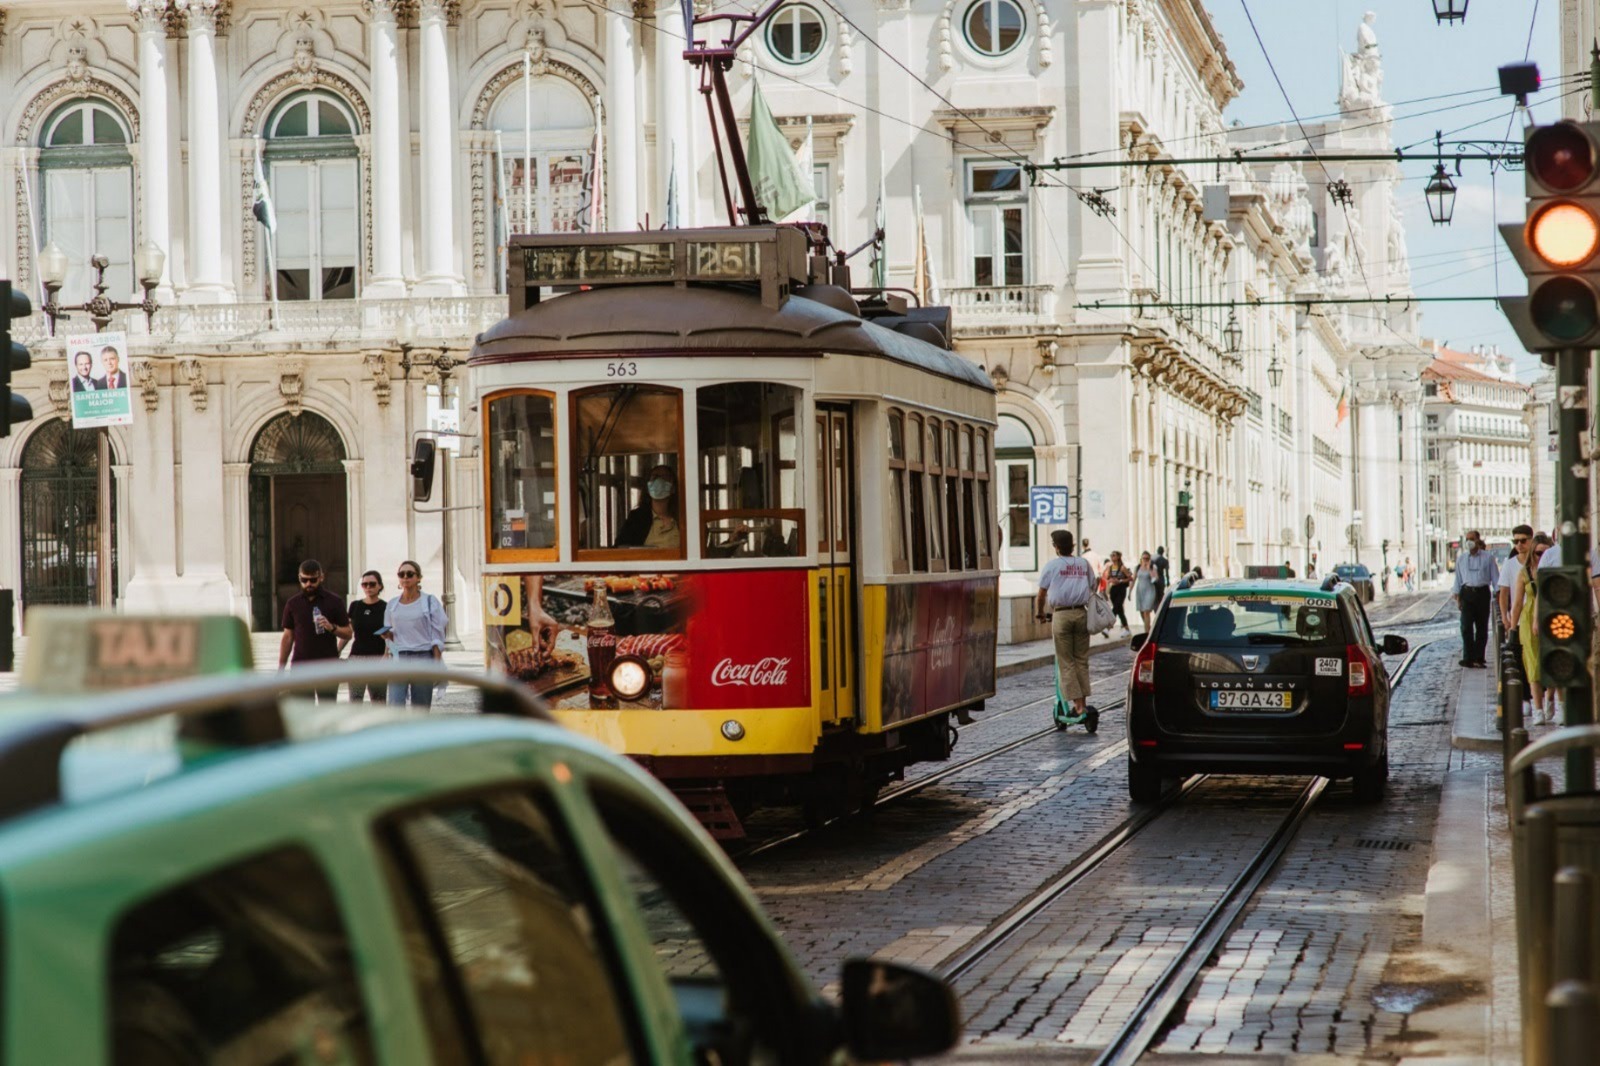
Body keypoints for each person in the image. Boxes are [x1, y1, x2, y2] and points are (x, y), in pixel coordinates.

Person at [1033, 530, 1096, 722]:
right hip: (1081, 613)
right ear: (1073, 546)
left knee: (1066, 662)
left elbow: (1041, 594)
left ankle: (1078, 707)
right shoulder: (1083, 563)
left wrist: (1040, 613)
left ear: (1056, 547)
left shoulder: (1052, 566)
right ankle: (1082, 703)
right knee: (1081, 660)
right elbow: (1093, 586)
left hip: (1062, 614)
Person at [278, 559, 353, 702]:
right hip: (300, 666)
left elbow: (348, 633)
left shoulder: (334, 602)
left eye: (313, 580)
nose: (308, 584)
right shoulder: (293, 603)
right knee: (303, 710)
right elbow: (288, 637)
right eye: (304, 580)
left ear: (321, 577)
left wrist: (332, 627)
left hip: (327, 666)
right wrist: (281, 668)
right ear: (299, 578)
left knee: (327, 710)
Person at [383, 560, 448, 708]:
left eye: (410, 574)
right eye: (401, 574)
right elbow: (390, 637)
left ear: (418, 577)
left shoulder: (429, 601)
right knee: (395, 705)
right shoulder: (392, 604)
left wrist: (437, 663)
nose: (405, 577)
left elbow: (437, 635)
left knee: (421, 707)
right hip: (399, 658)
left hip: (423, 657)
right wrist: (386, 639)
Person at [1511, 538, 1552, 724]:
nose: (1542, 557)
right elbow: (1518, 602)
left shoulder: (1554, 571)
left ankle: (1551, 699)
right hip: (1529, 621)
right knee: (1533, 663)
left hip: (1553, 616)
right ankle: (1538, 709)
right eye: (1538, 553)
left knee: (1553, 660)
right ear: (1532, 554)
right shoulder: (1524, 573)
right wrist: (1512, 628)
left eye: (1546, 553)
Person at [339, 569, 388, 702]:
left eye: (372, 584)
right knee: (355, 699)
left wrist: (386, 655)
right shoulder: (355, 606)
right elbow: (349, 631)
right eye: (364, 584)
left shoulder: (386, 607)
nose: (368, 587)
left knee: (379, 700)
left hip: (377, 658)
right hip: (357, 658)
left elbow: (389, 635)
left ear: (380, 586)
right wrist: (337, 651)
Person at [1451, 529, 1496, 668]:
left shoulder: (1488, 557)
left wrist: (1498, 594)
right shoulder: (1462, 559)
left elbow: (1495, 577)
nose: (1469, 542)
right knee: (1466, 626)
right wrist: (1458, 598)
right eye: (1467, 539)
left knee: (1482, 627)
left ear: (1478, 540)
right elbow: (1458, 580)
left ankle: (1479, 657)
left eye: (1472, 538)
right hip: (1467, 594)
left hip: (1482, 593)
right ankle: (1468, 657)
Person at [615, 464, 681, 549]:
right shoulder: (637, 518)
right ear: (648, 486)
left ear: (673, 488)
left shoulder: (682, 518)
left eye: (664, 477)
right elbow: (620, 547)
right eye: (655, 477)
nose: (659, 481)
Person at [1498, 525, 1534, 636]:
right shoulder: (1509, 564)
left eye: (1523, 541)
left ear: (1531, 540)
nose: (1519, 544)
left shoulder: (1539, 562)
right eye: (1516, 541)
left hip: (1536, 617)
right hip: (1517, 619)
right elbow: (1503, 593)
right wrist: (1504, 617)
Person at [1103, 550, 1133, 636]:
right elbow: (1107, 578)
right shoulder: (1110, 567)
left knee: (1116, 607)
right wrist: (1110, 580)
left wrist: (1120, 580)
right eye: (1111, 555)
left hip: (1121, 589)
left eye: (1114, 555)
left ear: (1118, 557)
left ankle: (1108, 627)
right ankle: (1127, 629)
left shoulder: (1122, 567)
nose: (1112, 557)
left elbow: (1130, 578)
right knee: (1120, 610)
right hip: (1114, 589)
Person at [1134, 550, 1159, 632]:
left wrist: (1149, 569)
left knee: (1146, 611)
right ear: (1141, 558)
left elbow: (1155, 579)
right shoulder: (1137, 567)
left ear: (1150, 559)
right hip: (1140, 590)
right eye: (1144, 558)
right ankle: (1149, 628)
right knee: (1142, 612)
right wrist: (1130, 591)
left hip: (1150, 590)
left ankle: (1146, 632)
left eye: (1147, 558)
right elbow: (1134, 579)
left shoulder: (1153, 567)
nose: (1145, 560)